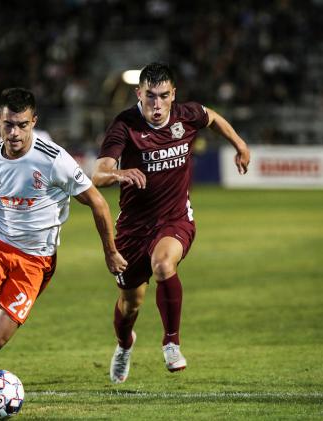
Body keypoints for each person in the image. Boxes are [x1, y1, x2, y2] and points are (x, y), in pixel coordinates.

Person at [0, 87, 127, 406]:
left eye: (22, 125)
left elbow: (98, 203)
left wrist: (110, 251)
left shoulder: (54, 160)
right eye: (8, 125)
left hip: (36, 260)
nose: (14, 133)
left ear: (33, 122)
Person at [92, 62, 250, 383]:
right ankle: (124, 345)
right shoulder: (125, 125)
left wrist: (240, 145)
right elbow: (98, 173)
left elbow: (214, 118)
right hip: (134, 228)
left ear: (173, 94)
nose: (157, 104)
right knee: (130, 304)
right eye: (150, 96)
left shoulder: (187, 114)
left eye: (164, 96)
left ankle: (171, 342)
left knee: (164, 264)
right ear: (139, 93)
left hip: (175, 219)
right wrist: (119, 173)